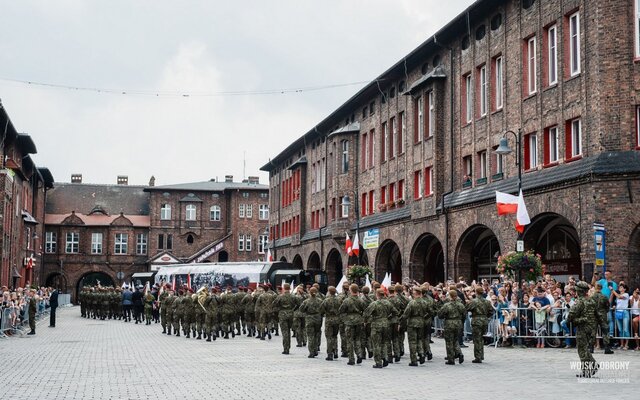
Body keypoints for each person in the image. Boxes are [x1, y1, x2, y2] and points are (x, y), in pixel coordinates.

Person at [567, 281, 598, 378]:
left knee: (582, 350)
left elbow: (571, 315)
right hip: (591, 327)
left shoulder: (580, 301)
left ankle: (586, 371)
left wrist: (571, 321)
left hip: (583, 328)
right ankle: (593, 365)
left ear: (579, 291)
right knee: (585, 349)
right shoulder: (592, 301)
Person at [338, 284, 365, 365]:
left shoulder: (347, 300)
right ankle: (359, 354)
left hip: (349, 321)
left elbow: (341, 310)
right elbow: (365, 310)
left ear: (350, 290)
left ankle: (351, 359)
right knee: (357, 339)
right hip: (359, 321)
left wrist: (344, 319)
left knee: (349, 340)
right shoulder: (361, 300)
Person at [466, 287, 494, 363]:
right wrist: (486, 316)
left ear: (476, 292)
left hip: (476, 320)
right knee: (481, 338)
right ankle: (481, 355)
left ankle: (478, 357)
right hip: (484, 320)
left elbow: (467, 308)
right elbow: (491, 311)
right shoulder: (487, 302)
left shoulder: (474, 301)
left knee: (476, 339)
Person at [438, 290, 465, 365]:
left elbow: (440, 315)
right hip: (458, 323)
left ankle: (451, 359)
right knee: (455, 339)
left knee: (449, 341)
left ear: (450, 296)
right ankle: (459, 353)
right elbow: (464, 315)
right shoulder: (461, 305)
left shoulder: (447, 305)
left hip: (449, 323)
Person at [272, 283, 298, 355]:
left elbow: (274, 304)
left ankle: (286, 348)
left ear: (284, 288)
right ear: (289, 288)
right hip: (291, 314)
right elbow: (298, 304)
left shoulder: (280, 296)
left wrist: (279, 310)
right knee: (289, 331)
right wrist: (293, 309)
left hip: (282, 314)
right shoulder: (293, 296)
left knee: (285, 332)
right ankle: (288, 346)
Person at [298, 287, 323, 358]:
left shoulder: (306, 301)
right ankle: (316, 349)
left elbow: (301, 309)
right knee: (316, 334)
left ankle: (311, 352)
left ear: (309, 292)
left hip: (309, 319)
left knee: (310, 336)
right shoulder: (320, 301)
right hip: (318, 318)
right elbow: (323, 309)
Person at [320, 286, 341, 361]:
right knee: (335, 336)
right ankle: (335, 351)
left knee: (329, 337)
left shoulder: (326, 300)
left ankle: (330, 354)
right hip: (337, 319)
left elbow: (321, 309)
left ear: (329, 292)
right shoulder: (339, 300)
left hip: (329, 319)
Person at [592, 282, 613, 354]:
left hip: (594, 315)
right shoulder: (604, 297)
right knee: (605, 331)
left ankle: (590, 348)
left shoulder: (591, 297)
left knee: (593, 331)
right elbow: (607, 306)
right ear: (601, 288)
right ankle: (607, 348)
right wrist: (604, 311)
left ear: (595, 288)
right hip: (602, 315)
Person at [611, 283, 630, 349]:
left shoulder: (626, 294)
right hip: (618, 312)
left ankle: (626, 344)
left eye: (621, 287)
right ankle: (621, 344)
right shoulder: (618, 295)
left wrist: (613, 290)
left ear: (624, 289)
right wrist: (614, 306)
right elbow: (619, 303)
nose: (620, 288)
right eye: (619, 287)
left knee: (625, 329)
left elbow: (619, 297)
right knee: (620, 329)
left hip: (625, 312)